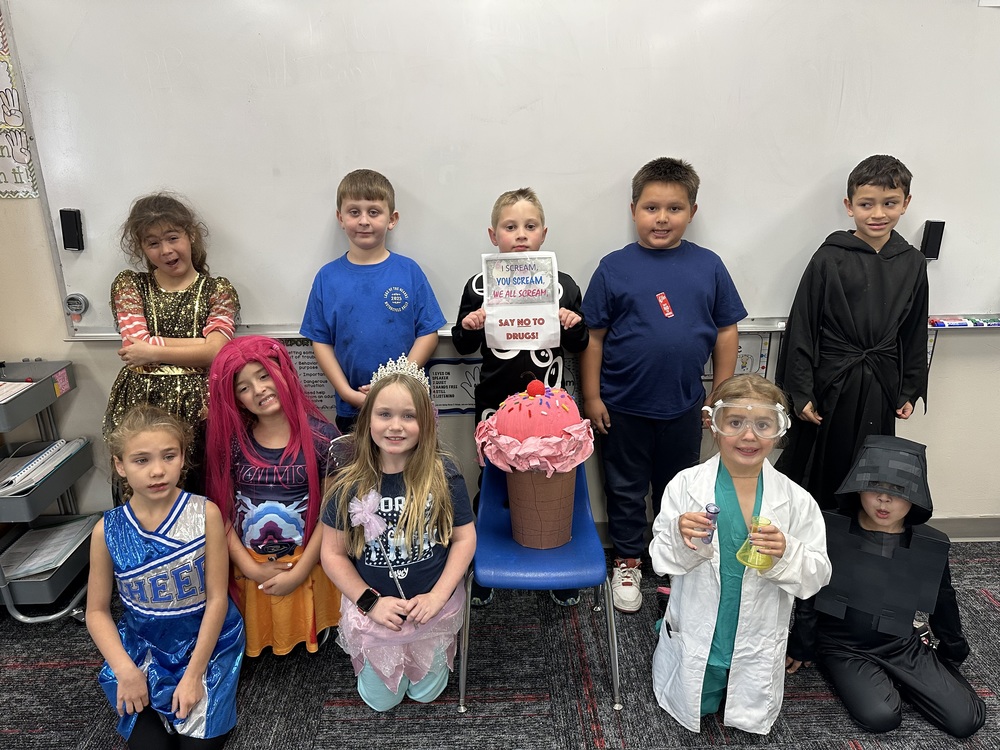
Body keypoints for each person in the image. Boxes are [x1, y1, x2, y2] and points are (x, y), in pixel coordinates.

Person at [581, 157, 747, 612]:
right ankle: (629, 560)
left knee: (679, 489)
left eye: (674, 208)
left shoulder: (708, 266)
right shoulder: (614, 267)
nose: (662, 218)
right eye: (651, 207)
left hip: (684, 407)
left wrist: (723, 392)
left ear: (692, 212)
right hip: (621, 405)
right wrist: (592, 396)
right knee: (625, 487)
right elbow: (592, 337)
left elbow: (727, 330)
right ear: (634, 209)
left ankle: (671, 562)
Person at [648, 374, 831, 735]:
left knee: (747, 693)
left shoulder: (796, 500)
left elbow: (817, 574)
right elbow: (661, 560)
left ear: (779, 431)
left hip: (757, 637)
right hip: (698, 630)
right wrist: (678, 535)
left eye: (763, 424)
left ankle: (738, 692)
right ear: (712, 425)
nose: (749, 436)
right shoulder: (685, 486)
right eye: (735, 422)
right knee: (694, 695)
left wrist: (787, 553)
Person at [786, 435, 985, 738]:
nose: (884, 500)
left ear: (915, 495)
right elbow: (808, 591)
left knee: (966, 720)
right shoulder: (830, 529)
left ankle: (903, 677)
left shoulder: (928, 544)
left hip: (899, 642)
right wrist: (803, 645)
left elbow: (943, 599)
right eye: (874, 488)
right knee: (882, 717)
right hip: (843, 645)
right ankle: (880, 681)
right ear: (858, 487)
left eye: (897, 491)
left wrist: (953, 649)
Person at [451, 187, 589, 607]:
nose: (521, 234)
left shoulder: (563, 285)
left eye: (530, 226)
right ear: (494, 235)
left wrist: (572, 322)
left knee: (557, 481)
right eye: (511, 227)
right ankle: (484, 562)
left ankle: (560, 569)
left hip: (551, 408)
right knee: (493, 479)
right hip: (496, 402)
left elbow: (581, 343)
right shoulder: (479, 286)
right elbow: (460, 345)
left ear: (544, 233)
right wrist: (471, 325)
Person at [320, 356, 476, 712]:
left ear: (426, 423)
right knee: (381, 701)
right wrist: (369, 602)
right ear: (367, 419)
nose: (396, 426)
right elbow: (332, 553)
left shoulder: (444, 474)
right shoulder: (349, 482)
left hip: (431, 611)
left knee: (426, 694)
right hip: (375, 614)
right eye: (384, 414)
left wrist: (438, 596)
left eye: (409, 416)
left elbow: (465, 539)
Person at [775, 155, 929, 509]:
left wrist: (908, 388)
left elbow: (913, 331)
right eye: (866, 204)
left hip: (880, 381)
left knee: (872, 460)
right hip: (831, 380)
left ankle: (860, 538)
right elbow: (803, 326)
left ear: (905, 203)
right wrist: (801, 392)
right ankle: (817, 531)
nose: (878, 214)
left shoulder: (912, 262)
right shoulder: (829, 258)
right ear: (849, 206)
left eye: (889, 203)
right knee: (821, 461)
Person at [87, 405, 245, 749]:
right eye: (141, 460)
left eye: (168, 456)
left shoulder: (205, 514)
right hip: (143, 647)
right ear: (120, 465)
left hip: (205, 645)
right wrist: (126, 671)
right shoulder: (106, 531)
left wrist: (193, 676)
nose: (157, 471)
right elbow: (96, 612)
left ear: (183, 457)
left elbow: (218, 599)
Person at [205, 336, 343, 657]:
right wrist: (250, 569)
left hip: (308, 562)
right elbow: (219, 514)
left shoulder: (324, 439)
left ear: (284, 371)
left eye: (264, 375)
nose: (259, 390)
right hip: (250, 564)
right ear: (236, 399)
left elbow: (333, 514)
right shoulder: (233, 444)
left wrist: (300, 571)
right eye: (243, 387)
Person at [102, 192, 240, 497]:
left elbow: (217, 352)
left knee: (200, 493)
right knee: (144, 493)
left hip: (201, 412)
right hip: (140, 407)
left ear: (190, 235)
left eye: (173, 237)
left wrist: (153, 349)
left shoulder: (218, 290)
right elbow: (135, 347)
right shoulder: (130, 285)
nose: (166, 250)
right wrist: (199, 345)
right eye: (153, 243)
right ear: (142, 248)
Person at [300, 168, 446, 433]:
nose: (364, 220)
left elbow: (428, 333)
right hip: (353, 408)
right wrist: (346, 392)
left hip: (408, 405)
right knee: (357, 474)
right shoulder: (327, 277)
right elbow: (320, 341)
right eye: (354, 212)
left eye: (374, 212)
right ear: (340, 218)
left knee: (412, 474)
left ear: (392, 219)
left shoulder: (409, 271)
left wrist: (398, 381)